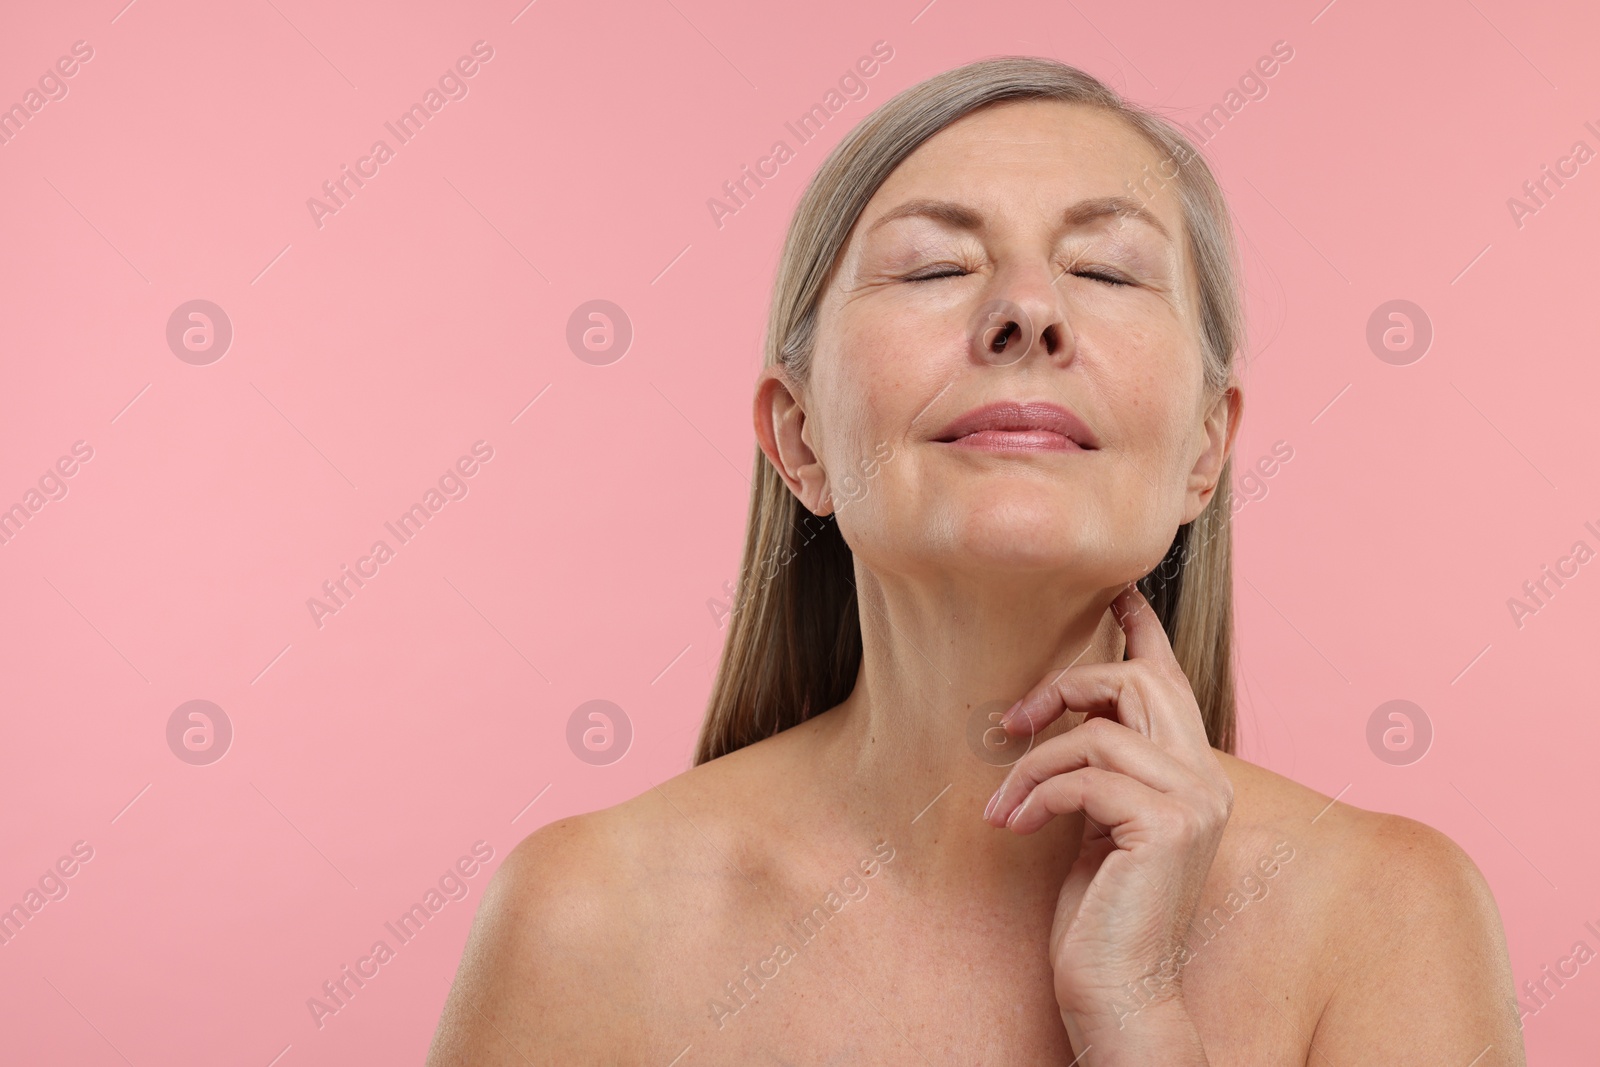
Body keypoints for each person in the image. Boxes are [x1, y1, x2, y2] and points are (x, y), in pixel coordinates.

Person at [426, 56, 1524, 1065]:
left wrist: (1137, 1012)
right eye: (933, 265)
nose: (1027, 311)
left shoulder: (1388, 919)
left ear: (1205, 448)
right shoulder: (586, 923)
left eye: (1105, 268)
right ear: (799, 438)